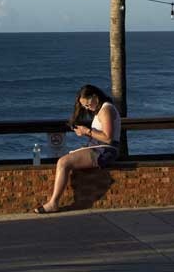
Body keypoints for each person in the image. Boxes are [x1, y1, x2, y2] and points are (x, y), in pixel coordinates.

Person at [34, 84, 120, 214]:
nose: (87, 108)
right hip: (99, 148)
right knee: (65, 160)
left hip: (105, 151)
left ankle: (53, 203)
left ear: (95, 97)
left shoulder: (106, 110)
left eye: (88, 104)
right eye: (85, 106)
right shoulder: (101, 109)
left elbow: (108, 138)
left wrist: (87, 131)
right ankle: (54, 202)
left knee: (63, 162)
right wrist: (85, 132)